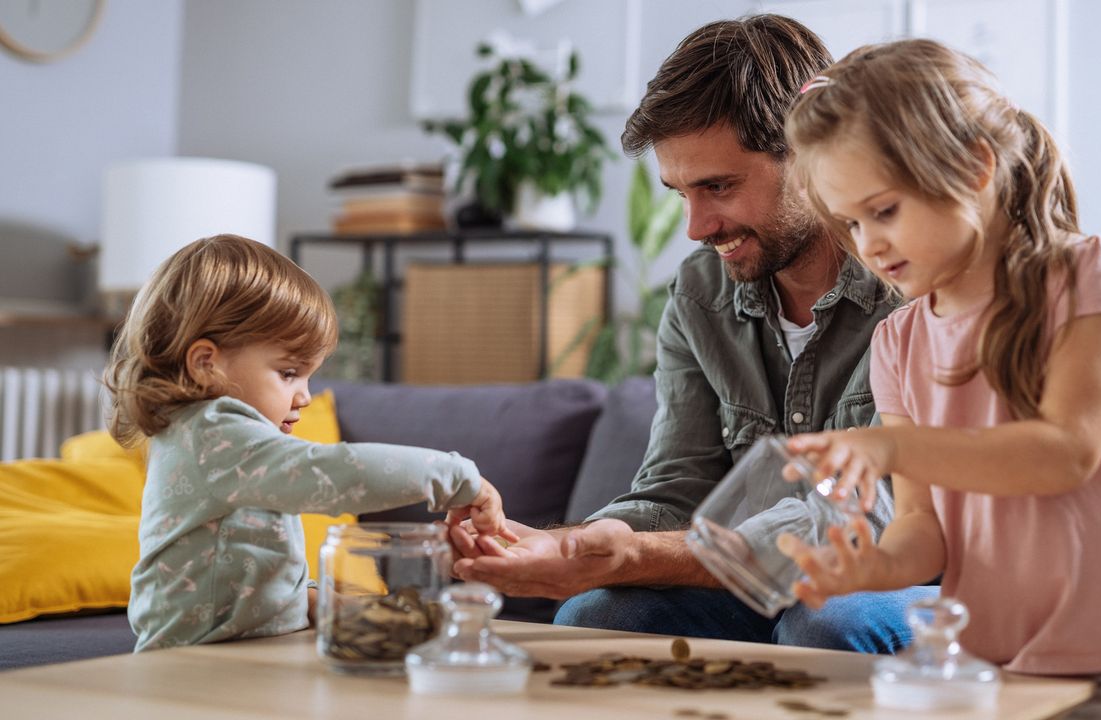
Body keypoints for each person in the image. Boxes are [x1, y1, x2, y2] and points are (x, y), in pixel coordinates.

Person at [451, 15, 936, 653]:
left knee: (826, 623)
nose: (697, 225)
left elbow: (873, 520)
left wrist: (633, 557)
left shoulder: (915, 289)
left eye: (719, 186)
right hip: (750, 585)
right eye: (680, 192)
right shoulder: (700, 293)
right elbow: (678, 485)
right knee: (598, 617)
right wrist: (568, 544)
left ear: (812, 156)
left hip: (901, 573)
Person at [779, 39, 1101, 717]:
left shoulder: (1086, 275)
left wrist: (889, 448)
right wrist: (873, 568)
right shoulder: (897, 341)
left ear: (974, 166)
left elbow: (1065, 453)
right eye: (850, 223)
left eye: (884, 211)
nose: (868, 245)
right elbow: (922, 528)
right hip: (992, 664)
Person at [104, 234, 514, 651]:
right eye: (287, 373)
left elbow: (245, 560)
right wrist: (457, 477)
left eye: (308, 376)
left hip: (245, 653)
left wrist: (314, 600)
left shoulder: (225, 445)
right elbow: (336, 472)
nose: (304, 396)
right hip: (190, 666)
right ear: (207, 364)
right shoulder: (213, 433)